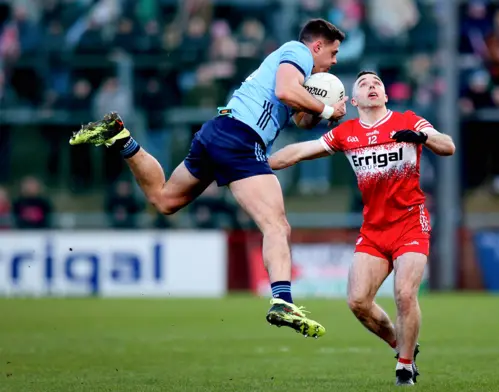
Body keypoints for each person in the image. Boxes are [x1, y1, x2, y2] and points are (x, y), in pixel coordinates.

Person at [68, 19, 348, 339]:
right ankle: (283, 301)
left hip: (219, 131)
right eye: (333, 52)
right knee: (277, 225)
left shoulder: (299, 71)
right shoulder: (297, 51)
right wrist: (327, 111)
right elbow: (285, 91)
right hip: (242, 138)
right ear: (317, 46)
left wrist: (323, 110)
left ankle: (120, 137)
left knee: (164, 199)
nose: (335, 60)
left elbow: (299, 118)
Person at [268, 71, 455, 385]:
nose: (372, 86)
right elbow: (301, 151)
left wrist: (422, 137)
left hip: (411, 222)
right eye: (365, 85)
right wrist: (259, 163)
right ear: (353, 101)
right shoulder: (346, 133)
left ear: (385, 97)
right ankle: (401, 343)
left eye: (377, 84)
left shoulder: (407, 120)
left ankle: (405, 368)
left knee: (405, 294)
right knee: (357, 302)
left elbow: (447, 145)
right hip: (373, 230)